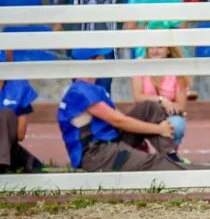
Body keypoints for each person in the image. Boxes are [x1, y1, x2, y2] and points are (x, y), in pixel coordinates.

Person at [57, 73, 195, 171]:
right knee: (154, 163)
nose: (104, 61)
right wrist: (158, 129)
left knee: (149, 107)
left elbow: (119, 118)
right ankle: (196, 172)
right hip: (97, 154)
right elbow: (118, 121)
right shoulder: (81, 91)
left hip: (111, 141)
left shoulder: (93, 89)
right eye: (100, 58)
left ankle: (170, 155)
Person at [131, 46, 190, 162]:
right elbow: (138, 97)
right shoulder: (139, 64)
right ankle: (142, 148)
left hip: (168, 115)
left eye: (160, 47)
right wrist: (161, 100)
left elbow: (181, 105)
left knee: (177, 124)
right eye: (151, 47)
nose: (155, 50)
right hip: (146, 114)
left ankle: (170, 154)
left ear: (168, 50)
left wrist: (163, 112)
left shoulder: (177, 68)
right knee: (133, 121)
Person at [0, 78, 43, 173]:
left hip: (8, 148)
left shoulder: (19, 86)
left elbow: (20, 136)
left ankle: (4, 164)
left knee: (5, 115)